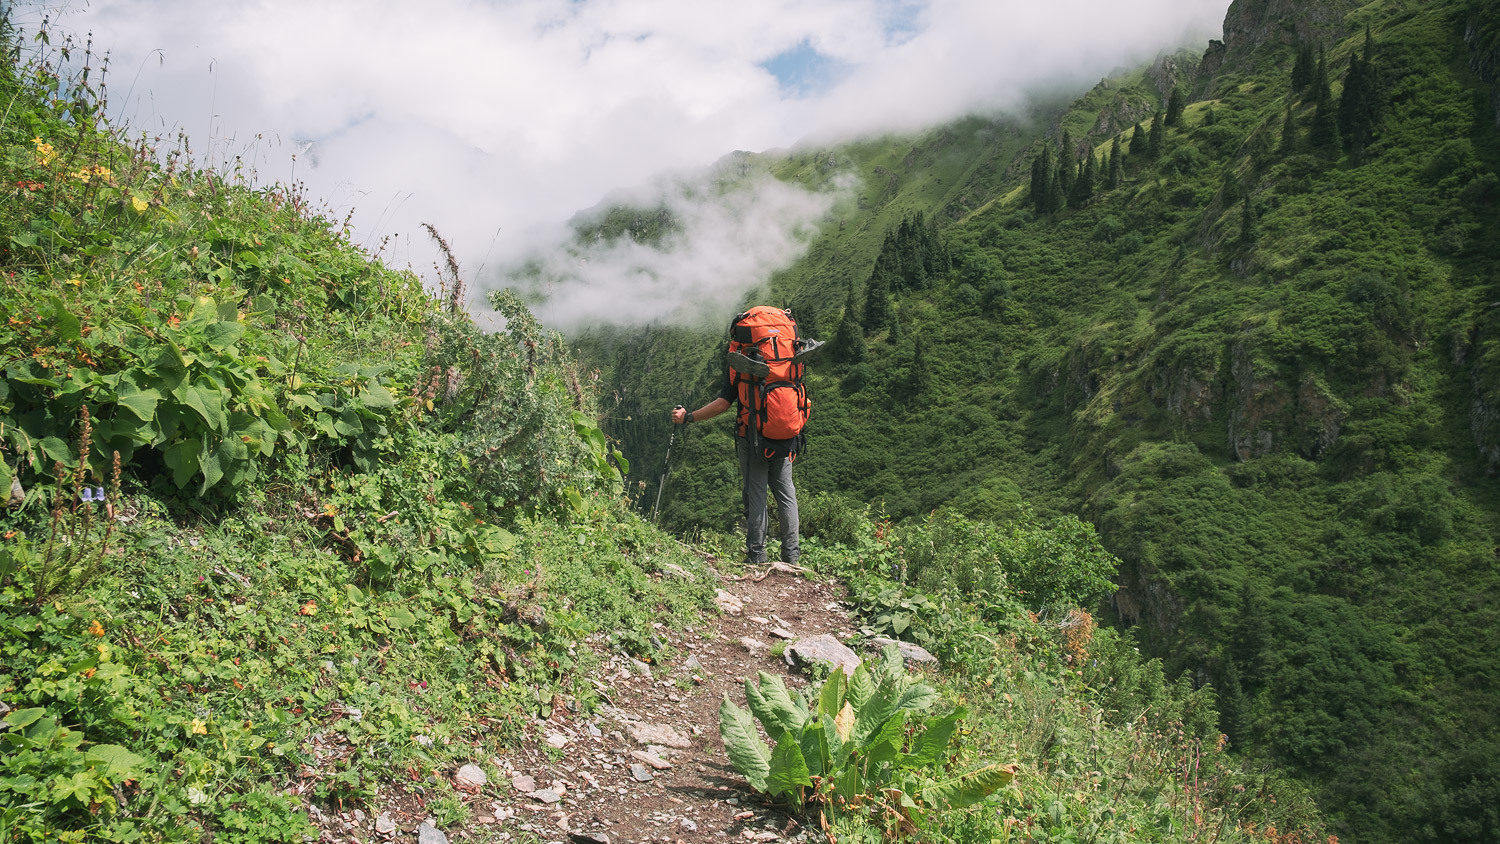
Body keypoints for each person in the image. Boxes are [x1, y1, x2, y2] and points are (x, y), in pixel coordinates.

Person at [672, 336, 801, 568]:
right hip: (785, 436)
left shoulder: (741, 360)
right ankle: (792, 557)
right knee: (786, 494)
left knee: (756, 494)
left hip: (753, 439)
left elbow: (723, 404)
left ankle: (757, 556)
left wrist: (688, 417)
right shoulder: (785, 356)